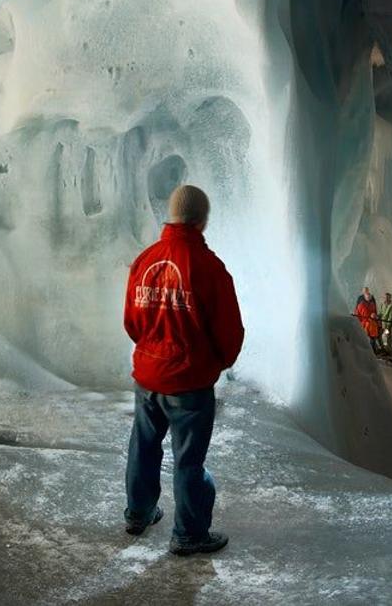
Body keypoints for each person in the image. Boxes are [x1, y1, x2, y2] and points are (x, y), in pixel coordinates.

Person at [123, 184, 244, 556]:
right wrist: (216, 364)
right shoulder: (209, 268)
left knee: (143, 448)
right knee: (189, 460)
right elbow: (229, 332)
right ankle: (189, 533)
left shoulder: (146, 260)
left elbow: (132, 321)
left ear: (171, 215)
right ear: (202, 220)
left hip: (148, 377)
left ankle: (138, 514)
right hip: (190, 383)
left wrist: (151, 351)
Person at [354, 287, 381, 354]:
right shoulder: (361, 303)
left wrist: (375, 316)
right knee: (364, 337)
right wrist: (358, 322)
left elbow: (375, 311)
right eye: (367, 296)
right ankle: (363, 351)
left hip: (372, 324)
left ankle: (373, 351)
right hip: (364, 323)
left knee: (372, 338)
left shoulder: (372, 303)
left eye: (369, 296)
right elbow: (357, 313)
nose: (369, 298)